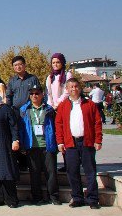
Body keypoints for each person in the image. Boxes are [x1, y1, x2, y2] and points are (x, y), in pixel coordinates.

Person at [55, 78, 103, 208]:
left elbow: (97, 123)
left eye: (76, 86)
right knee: (72, 171)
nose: (73, 89)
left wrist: (98, 140)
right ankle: (77, 198)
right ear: (67, 89)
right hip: (71, 144)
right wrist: (60, 142)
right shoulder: (63, 105)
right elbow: (58, 124)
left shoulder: (90, 104)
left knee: (90, 171)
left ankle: (93, 199)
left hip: (87, 142)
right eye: (71, 87)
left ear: (79, 88)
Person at [19, 84, 60, 205]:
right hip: (32, 146)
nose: (34, 96)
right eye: (31, 93)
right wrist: (22, 144)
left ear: (42, 94)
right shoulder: (24, 110)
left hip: (47, 145)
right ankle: (37, 197)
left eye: (37, 93)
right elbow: (21, 128)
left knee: (51, 172)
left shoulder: (49, 109)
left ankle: (53, 196)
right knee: (34, 173)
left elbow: (55, 127)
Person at [6, 55, 39, 171]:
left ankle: (31, 163)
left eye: (20, 64)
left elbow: (37, 94)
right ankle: (21, 164)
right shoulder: (12, 81)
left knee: (29, 136)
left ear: (24, 65)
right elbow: (9, 97)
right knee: (17, 136)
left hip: (29, 112)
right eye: (15, 65)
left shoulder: (32, 78)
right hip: (15, 113)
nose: (18, 67)